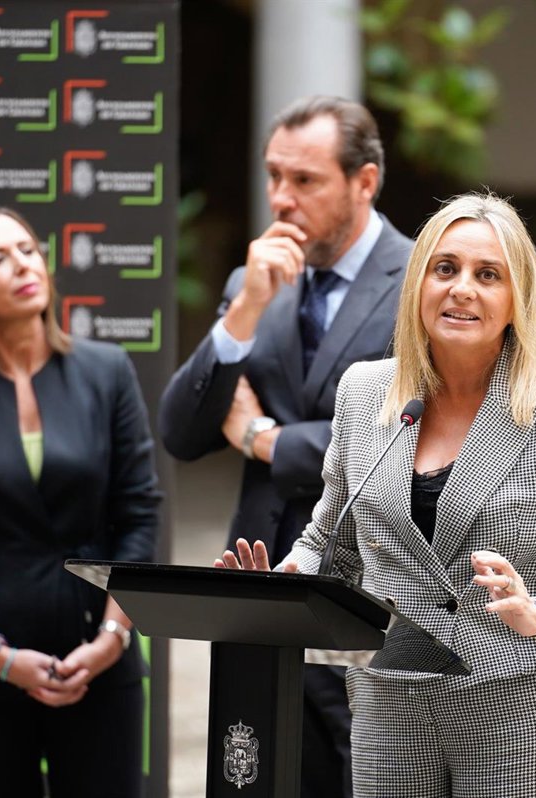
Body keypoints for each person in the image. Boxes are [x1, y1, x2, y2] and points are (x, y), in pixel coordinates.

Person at [218, 192, 536, 797]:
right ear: (418, 283)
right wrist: (285, 583)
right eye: (445, 268)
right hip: (390, 714)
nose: (462, 289)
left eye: (488, 275)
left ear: (518, 298)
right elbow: (331, 543)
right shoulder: (365, 392)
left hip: (523, 713)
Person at [159, 95, 412, 798]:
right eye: (274, 176)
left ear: (364, 182)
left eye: (305, 180)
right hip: (260, 591)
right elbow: (181, 431)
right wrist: (244, 311)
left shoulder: (424, 280)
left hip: (367, 594)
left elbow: (409, 435)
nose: (281, 198)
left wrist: (263, 439)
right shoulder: (254, 281)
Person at [0, 205, 160, 798]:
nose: (23, 265)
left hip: (101, 665)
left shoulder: (107, 371)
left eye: (27, 249)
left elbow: (140, 515)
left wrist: (111, 640)